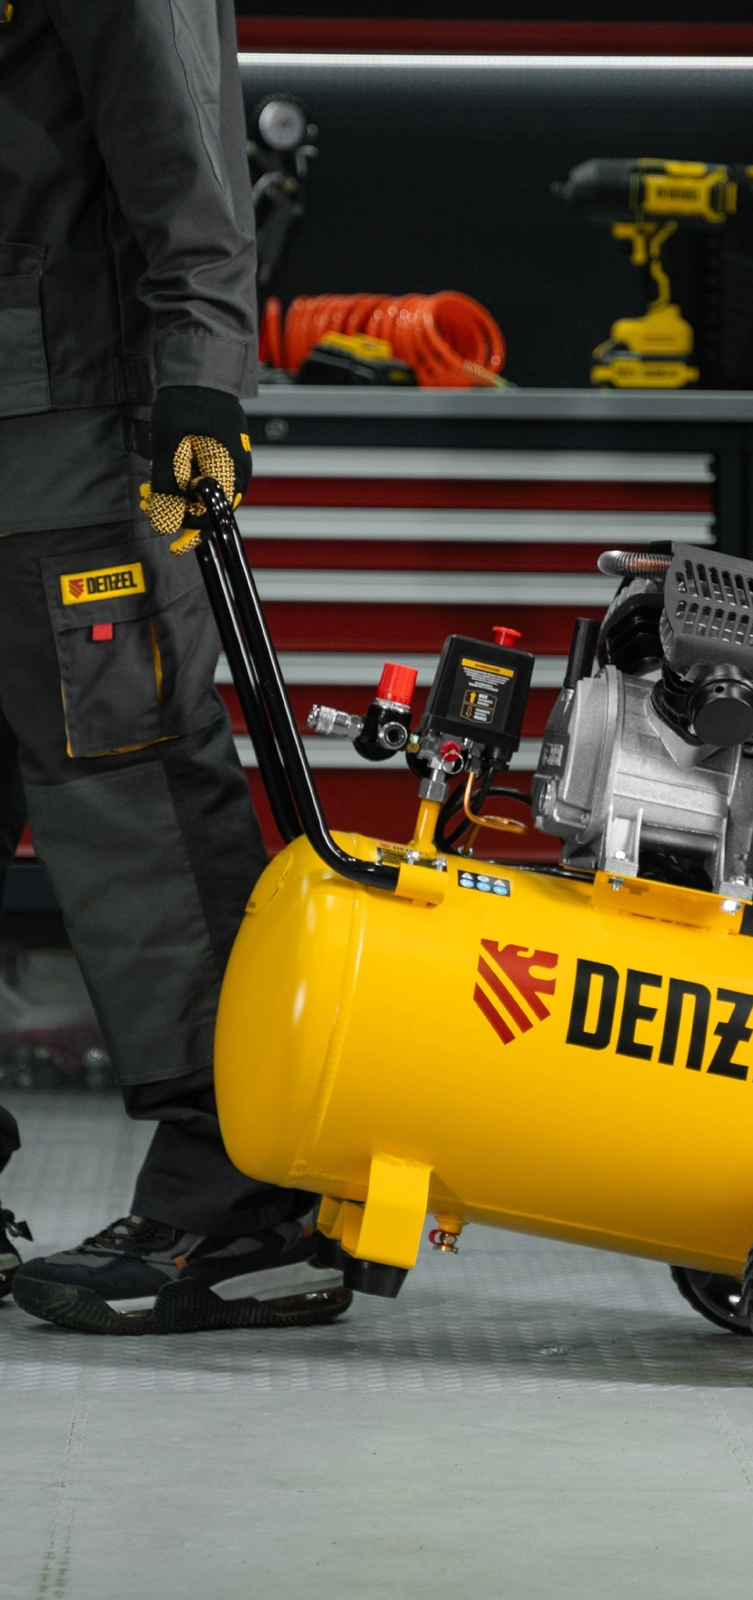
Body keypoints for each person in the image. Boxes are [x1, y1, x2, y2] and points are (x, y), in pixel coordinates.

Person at [0, 1, 348, 1333]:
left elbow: (185, 152)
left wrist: (201, 373)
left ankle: (243, 1198)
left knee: (133, 796)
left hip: (72, 428)